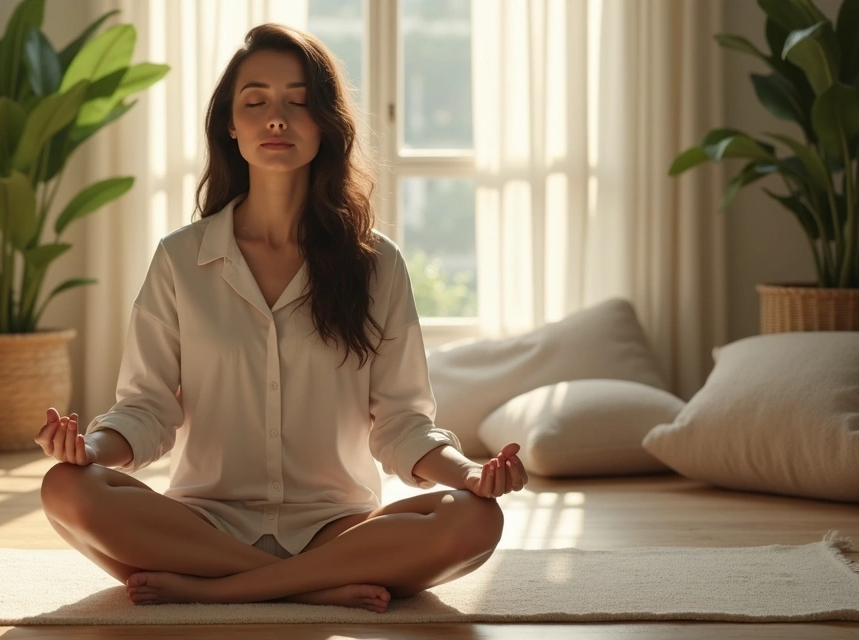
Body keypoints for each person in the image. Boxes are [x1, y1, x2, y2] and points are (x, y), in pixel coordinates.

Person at [36, 23, 528, 613]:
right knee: (65, 488)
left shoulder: (377, 265)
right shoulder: (180, 258)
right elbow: (146, 409)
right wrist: (87, 450)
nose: (277, 117)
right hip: (201, 524)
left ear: (326, 124)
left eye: (298, 102)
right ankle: (316, 586)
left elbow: (402, 424)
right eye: (256, 101)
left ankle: (220, 589)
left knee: (474, 521)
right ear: (230, 124)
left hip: (336, 526)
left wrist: (470, 474)